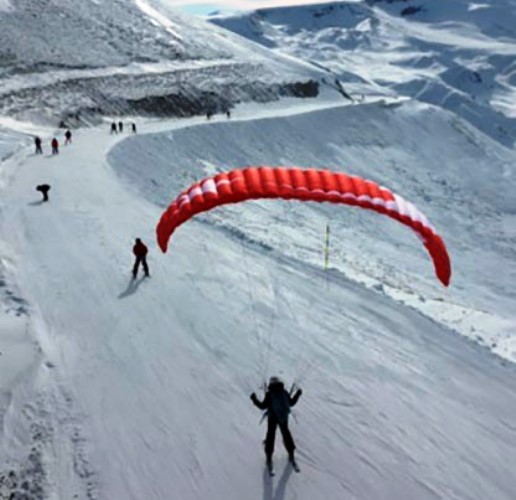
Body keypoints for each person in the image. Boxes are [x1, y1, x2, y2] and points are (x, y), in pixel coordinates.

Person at [251, 377, 302, 472]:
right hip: (283, 418)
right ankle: (291, 455)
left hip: (272, 418)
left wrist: (254, 399)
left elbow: (262, 406)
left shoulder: (269, 394)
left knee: (270, 436)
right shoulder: (284, 392)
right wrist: (298, 394)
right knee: (286, 434)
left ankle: (269, 458)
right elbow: (291, 403)